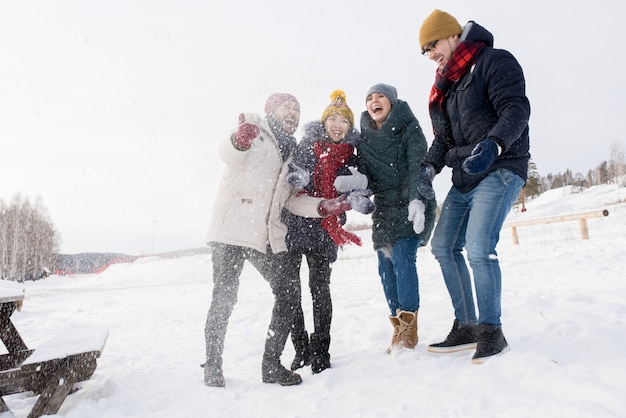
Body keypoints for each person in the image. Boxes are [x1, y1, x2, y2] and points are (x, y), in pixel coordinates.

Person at [203, 93, 353, 387]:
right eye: (288, 106)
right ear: (272, 109)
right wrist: (239, 140)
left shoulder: (292, 152)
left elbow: (293, 199)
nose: (293, 112)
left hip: (263, 236)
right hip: (231, 231)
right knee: (224, 297)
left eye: (297, 108)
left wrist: (324, 206)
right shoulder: (255, 130)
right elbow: (228, 153)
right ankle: (213, 363)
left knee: (287, 294)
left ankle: (271, 365)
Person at [417, 10, 530, 363]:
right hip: (466, 175)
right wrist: (427, 167)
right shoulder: (446, 87)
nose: (430, 54)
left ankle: (491, 331)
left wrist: (494, 144)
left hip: (499, 166)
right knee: (443, 246)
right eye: (424, 51)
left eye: (432, 45)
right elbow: (443, 138)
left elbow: (516, 108)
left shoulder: (493, 61)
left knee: (480, 247)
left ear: (452, 36)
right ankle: (465, 325)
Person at [283, 90, 374, 374]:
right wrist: (299, 177)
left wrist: (357, 198)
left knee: (320, 292)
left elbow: (360, 186)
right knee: (291, 292)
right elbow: (294, 178)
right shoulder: (306, 146)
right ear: (324, 122)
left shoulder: (351, 156)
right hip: (295, 226)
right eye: (332, 119)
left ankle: (321, 351)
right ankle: (301, 350)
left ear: (349, 127)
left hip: (324, 232)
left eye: (343, 121)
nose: (337, 125)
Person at [354, 83, 436, 353]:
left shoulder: (409, 128)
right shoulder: (364, 139)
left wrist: (417, 199)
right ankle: (398, 326)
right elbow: (366, 175)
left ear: (391, 102)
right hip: (385, 210)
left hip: (414, 203)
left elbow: (417, 167)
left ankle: (409, 328)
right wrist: (361, 192)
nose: (374, 101)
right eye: (369, 98)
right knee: (385, 266)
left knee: (402, 258)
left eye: (380, 97)